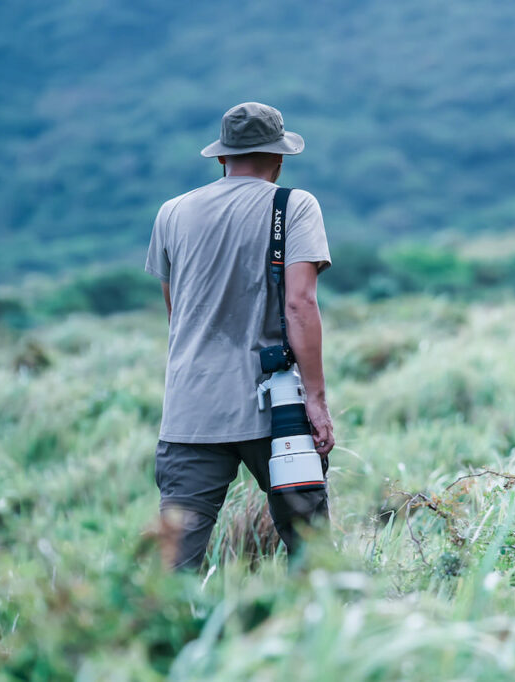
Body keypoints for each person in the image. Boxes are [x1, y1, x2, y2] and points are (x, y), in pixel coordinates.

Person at [145, 102, 335, 570]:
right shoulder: (293, 205)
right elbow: (300, 305)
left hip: (190, 407)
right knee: (311, 551)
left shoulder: (171, 212)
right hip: (276, 412)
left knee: (174, 563)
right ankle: (314, 638)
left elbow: (178, 313)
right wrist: (316, 399)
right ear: (280, 158)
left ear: (221, 158)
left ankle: (166, 643)